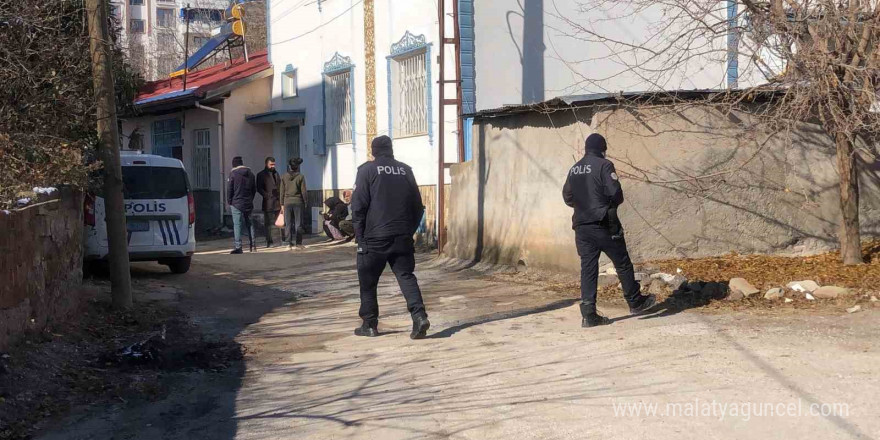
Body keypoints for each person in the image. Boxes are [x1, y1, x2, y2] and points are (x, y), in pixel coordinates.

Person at [562, 133, 656, 327]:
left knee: (588, 268)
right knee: (622, 262)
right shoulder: (604, 165)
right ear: (602, 149)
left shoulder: (574, 169)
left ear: (586, 148)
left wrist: (584, 206)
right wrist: (606, 205)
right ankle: (635, 301)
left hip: (581, 226)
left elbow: (567, 197)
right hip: (603, 222)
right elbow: (615, 193)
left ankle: (589, 314)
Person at [351, 136, 430, 339]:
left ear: (374, 151)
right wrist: (408, 231)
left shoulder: (366, 170)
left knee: (368, 281)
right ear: (391, 149)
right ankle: (419, 316)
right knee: (406, 276)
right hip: (401, 236)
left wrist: (360, 238)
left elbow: (358, 207)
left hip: (374, 238)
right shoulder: (405, 170)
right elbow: (418, 206)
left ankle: (369, 324)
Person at [227, 156, 256, 254]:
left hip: (236, 203)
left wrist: (229, 201)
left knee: (237, 225)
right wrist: (250, 199)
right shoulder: (251, 174)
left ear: (234, 164)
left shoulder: (233, 174)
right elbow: (254, 189)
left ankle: (238, 247)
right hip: (248, 202)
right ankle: (253, 246)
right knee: (250, 224)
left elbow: (230, 189)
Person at [256, 156, 285, 248]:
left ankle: (282, 239)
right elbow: (259, 188)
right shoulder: (261, 174)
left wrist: (281, 200)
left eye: (274, 164)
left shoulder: (276, 173)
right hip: (268, 202)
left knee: (281, 222)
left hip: (277, 202)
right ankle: (269, 241)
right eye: (271, 164)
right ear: (266, 164)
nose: (273, 166)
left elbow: (280, 185)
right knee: (268, 224)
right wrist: (267, 195)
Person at [279, 157, 307, 250]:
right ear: (298, 166)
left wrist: (281, 204)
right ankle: (298, 243)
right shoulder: (300, 176)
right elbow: (303, 191)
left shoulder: (284, 176)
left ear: (289, 166)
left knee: (288, 223)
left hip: (287, 202)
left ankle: (288, 243)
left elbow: (281, 191)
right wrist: (305, 202)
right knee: (298, 223)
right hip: (298, 202)